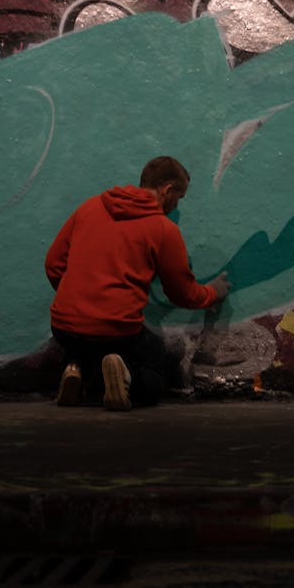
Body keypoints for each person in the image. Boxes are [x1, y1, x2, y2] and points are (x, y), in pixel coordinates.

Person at [45, 155, 230, 411]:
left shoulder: (90, 207)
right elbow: (183, 294)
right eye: (179, 197)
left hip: (64, 327)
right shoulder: (163, 229)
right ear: (167, 190)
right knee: (155, 366)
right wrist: (213, 292)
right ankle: (126, 381)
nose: (177, 206)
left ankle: (75, 369)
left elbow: (53, 264)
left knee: (87, 345)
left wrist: (81, 303)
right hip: (116, 331)